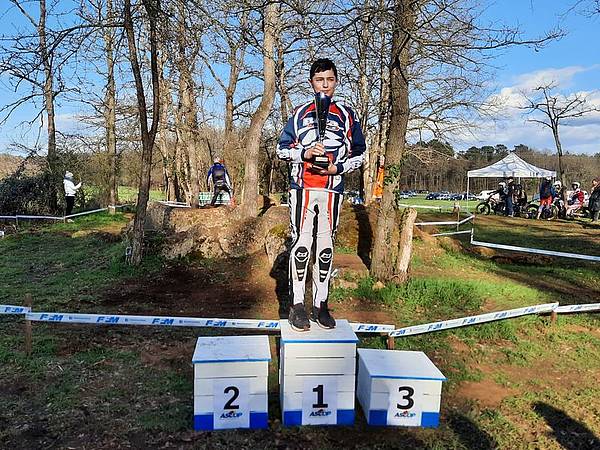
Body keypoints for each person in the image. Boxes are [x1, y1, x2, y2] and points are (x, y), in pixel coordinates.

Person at [276, 58, 366, 331]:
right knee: (302, 245)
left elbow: (360, 153)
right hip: (302, 188)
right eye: (319, 80)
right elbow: (281, 149)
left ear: (336, 81)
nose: (325, 85)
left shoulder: (347, 115)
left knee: (325, 248)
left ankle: (321, 303)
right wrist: (304, 153)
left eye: (329, 80)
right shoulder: (299, 113)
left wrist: (338, 167)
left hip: (332, 189)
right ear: (311, 82)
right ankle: (297, 305)